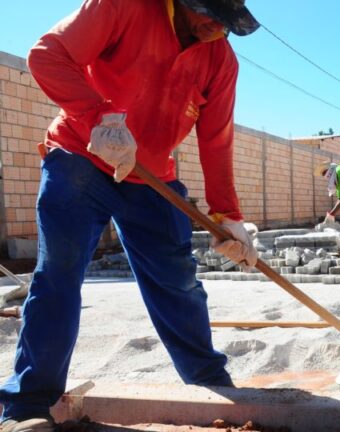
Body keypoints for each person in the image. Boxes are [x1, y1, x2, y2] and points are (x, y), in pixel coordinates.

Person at [0, 1, 261, 430]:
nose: (217, 29)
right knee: (59, 276)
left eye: (227, 23)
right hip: (81, 159)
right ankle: (25, 408)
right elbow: (47, 55)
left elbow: (216, 139)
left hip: (152, 178)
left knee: (178, 282)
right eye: (209, 15)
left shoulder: (220, 60)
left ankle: (210, 385)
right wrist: (99, 118)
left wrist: (228, 216)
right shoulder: (124, 5)